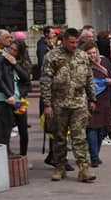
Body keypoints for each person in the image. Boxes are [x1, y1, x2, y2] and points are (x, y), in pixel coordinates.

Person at [41, 28, 97, 183]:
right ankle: (59, 167)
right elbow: (45, 81)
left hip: (79, 103)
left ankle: (83, 169)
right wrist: (47, 104)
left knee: (79, 136)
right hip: (59, 103)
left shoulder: (82, 55)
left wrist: (93, 99)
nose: (74, 45)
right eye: (71, 42)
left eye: (76, 42)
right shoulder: (52, 56)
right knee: (59, 137)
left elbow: (89, 78)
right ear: (64, 40)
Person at [84, 41, 111, 169]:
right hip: (89, 101)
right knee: (92, 128)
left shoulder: (104, 62)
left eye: (94, 52)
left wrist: (110, 81)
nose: (92, 56)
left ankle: (95, 154)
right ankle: (94, 157)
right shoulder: (83, 66)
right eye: (89, 53)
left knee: (102, 130)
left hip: (104, 101)